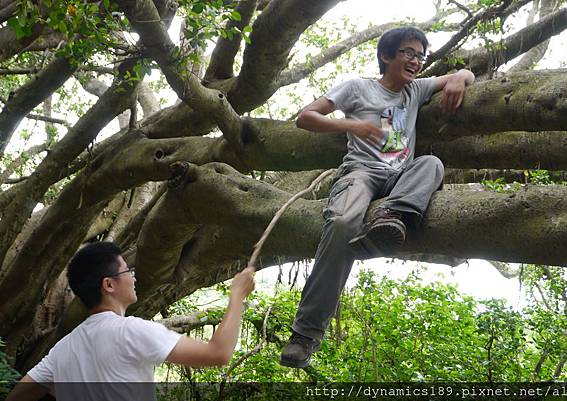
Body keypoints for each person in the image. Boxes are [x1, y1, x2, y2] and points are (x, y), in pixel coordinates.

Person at [279, 27, 475, 368]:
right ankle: (305, 334)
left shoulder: (416, 89)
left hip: (400, 178)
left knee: (431, 164)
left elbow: (464, 73)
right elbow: (305, 117)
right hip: (361, 172)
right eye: (408, 53)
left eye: (420, 56)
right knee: (341, 222)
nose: (415, 61)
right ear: (387, 56)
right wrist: (351, 126)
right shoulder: (358, 88)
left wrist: (459, 76)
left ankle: (389, 216)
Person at [6, 241, 255, 401]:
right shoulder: (131, 331)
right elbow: (218, 353)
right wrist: (237, 297)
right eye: (128, 271)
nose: (134, 278)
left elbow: (18, 396)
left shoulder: (61, 351)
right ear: (109, 284)